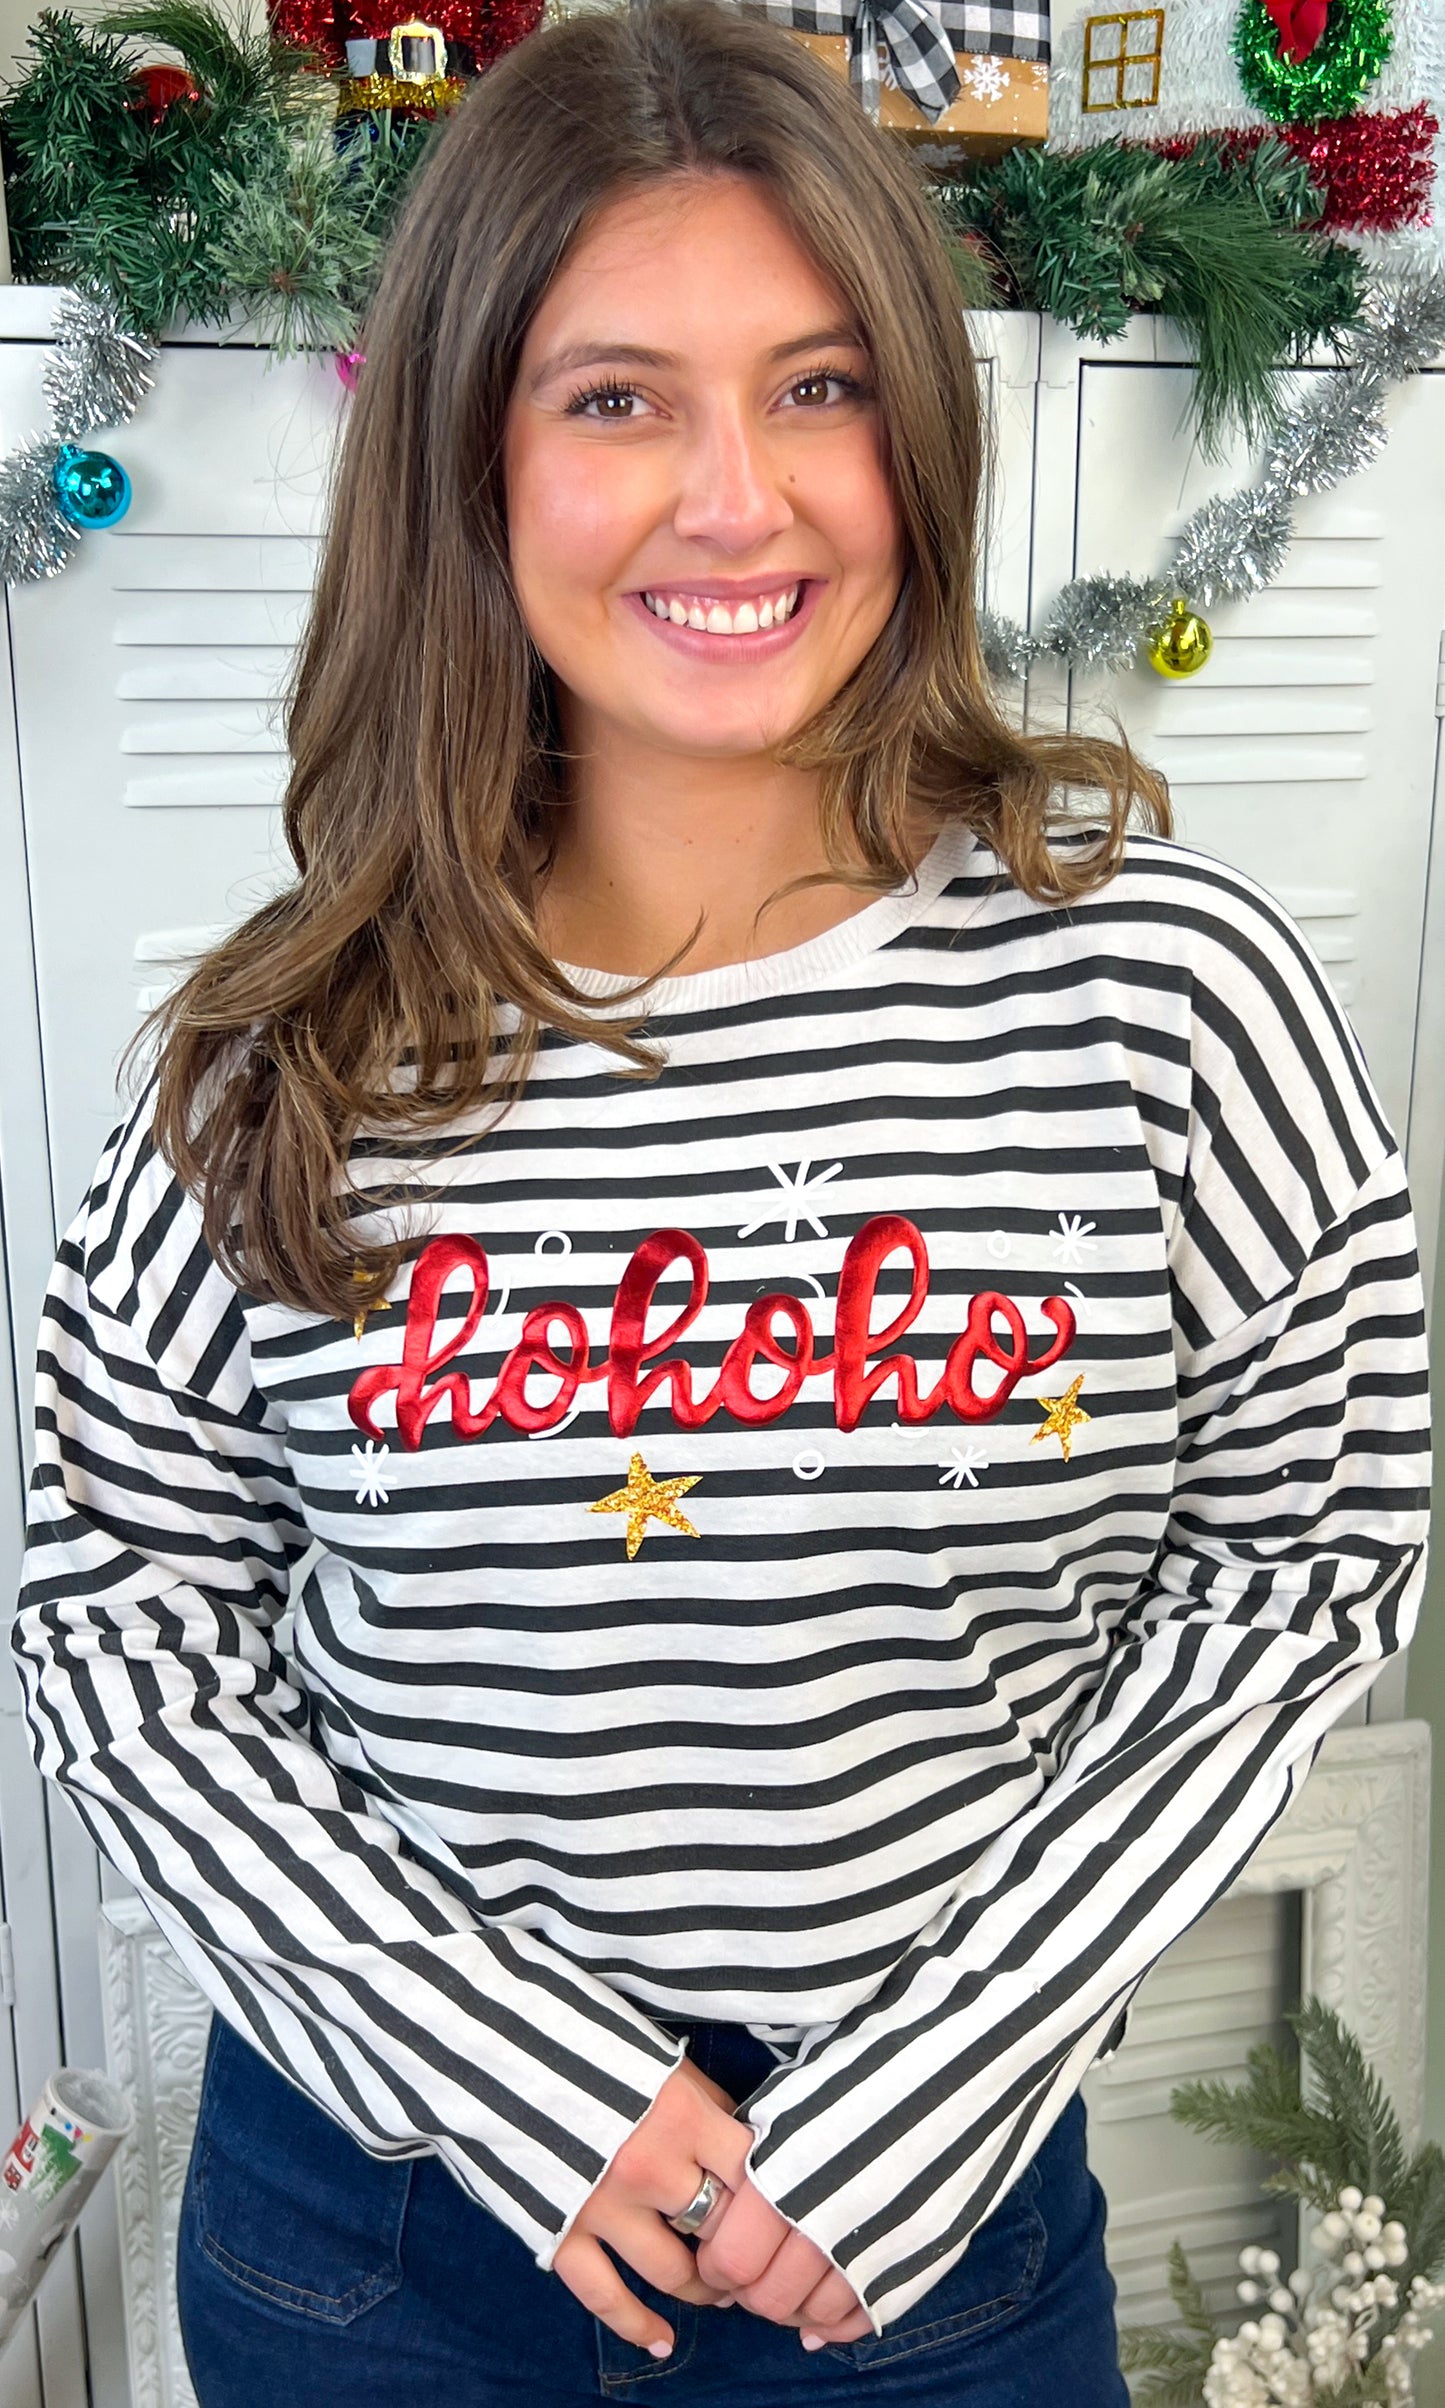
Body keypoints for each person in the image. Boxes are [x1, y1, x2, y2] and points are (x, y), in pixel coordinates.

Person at [12, 3, 1430, 2401]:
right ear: (472, 453)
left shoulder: (1168, 997)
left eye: (820, 384)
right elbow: (116, 1607)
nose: (738, 499)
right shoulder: (290, 1045)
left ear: (922, 437)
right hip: (382, 2245)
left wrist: (932, 2077)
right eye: (615, 397)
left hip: (934, 2244)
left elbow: (1312, 1549)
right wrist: (529, 2084)